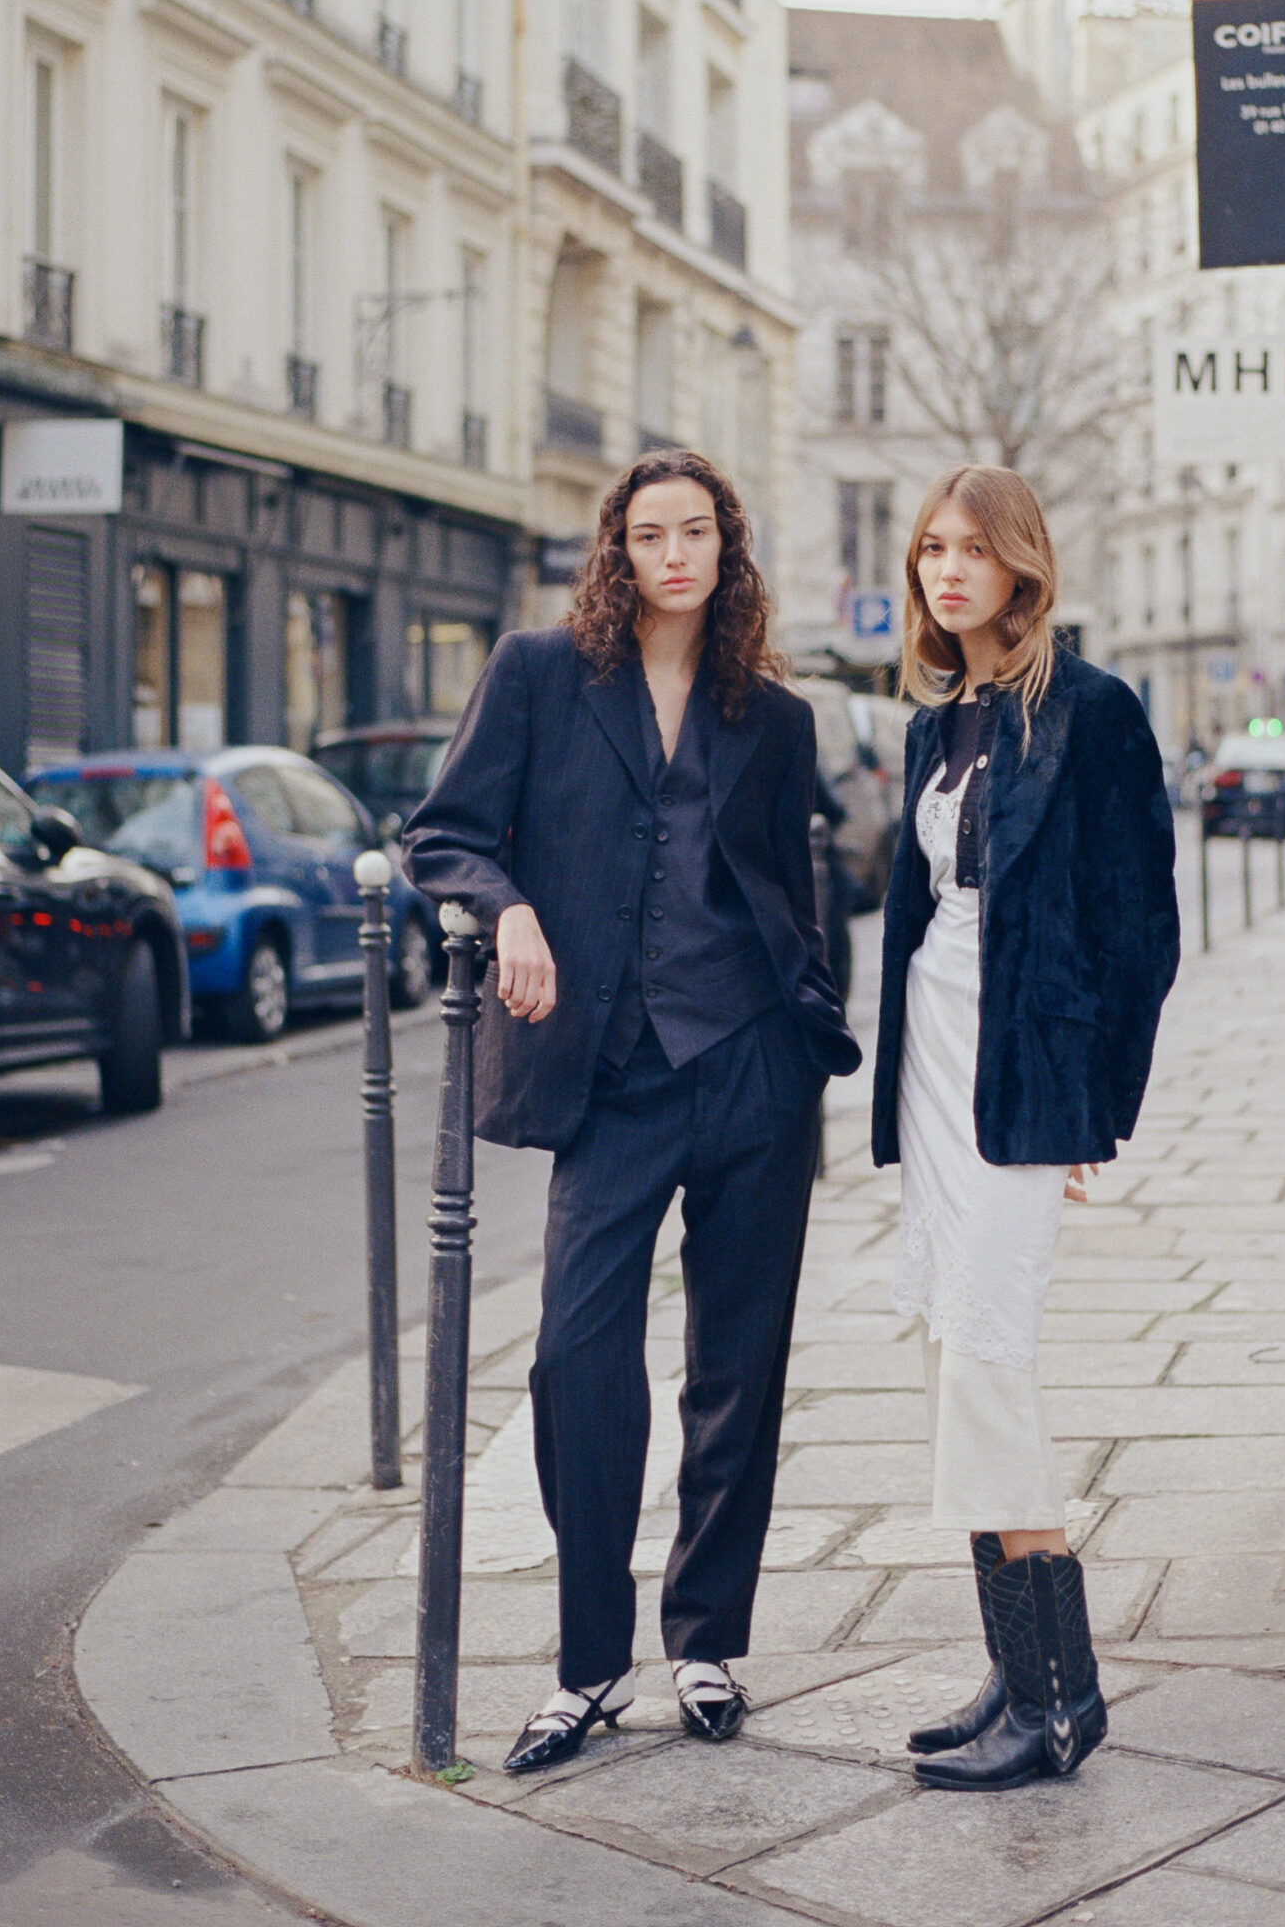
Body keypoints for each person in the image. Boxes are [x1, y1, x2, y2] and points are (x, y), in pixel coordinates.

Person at [401, 450, 859, 1773]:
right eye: (650, 534)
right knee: (574, 1355)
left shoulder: (773, 716)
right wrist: (509, 911)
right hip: (610, 1077)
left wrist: (810, 1024)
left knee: (739, 1364)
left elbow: (791, 889)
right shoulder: (540, 674)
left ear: (726, 550)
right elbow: (441, 834)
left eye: (695, 532)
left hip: (753, 1067)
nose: (673, 554)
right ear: (617, 549)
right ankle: (590, 1661)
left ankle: (707, 1642)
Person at [873, 464, 1178, 1791]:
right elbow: (923, 915)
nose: (946, 571)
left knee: (990, 1355)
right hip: (934, 1065)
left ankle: (1062, 1704)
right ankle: (1015, 1673)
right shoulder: (936, 724)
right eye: (930, 550)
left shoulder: (1091, 711)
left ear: (1021, 566)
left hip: (1023, 1072)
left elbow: (1140, 927)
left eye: (971, 550)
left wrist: (1092, 1109)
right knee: (949, 1352)